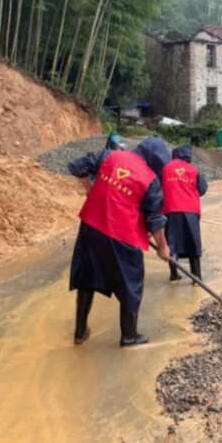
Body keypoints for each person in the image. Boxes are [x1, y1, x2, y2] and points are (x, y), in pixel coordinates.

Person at [67, 137, 171, 348]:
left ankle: (79, 332)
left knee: (87, 278)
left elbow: (77, 166)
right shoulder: (151, 180)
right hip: (121, 234)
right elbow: (154, 220)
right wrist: (163, 247)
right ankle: (129, 336)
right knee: (131, 283)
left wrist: (89, 188)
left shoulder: (110, 155)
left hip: (91, 227)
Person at [161, 145, 208, 283]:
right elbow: (203, 189)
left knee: (172, 242)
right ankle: (197, 279)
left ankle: (174, 275)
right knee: (193, 242)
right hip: (191, 211)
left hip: (170, 210)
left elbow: (157, 188)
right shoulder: (193, 170)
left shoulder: (165, 168)